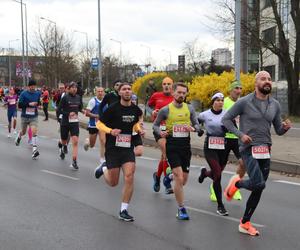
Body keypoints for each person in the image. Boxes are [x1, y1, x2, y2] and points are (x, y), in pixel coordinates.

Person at [222, 71, 292, 236]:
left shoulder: (274, 104)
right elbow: (226, 119)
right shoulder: (244, 102)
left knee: (259, 188)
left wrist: (285, 128)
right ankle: (236, 185)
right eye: (263, 79)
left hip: (265, 149)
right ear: (256, 83)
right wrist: (241, 135)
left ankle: (245, 222)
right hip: (248, 148)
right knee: (259, 184)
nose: (267, 81)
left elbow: (278, 130)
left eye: (269, 79)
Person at [94, 83, 144, 222]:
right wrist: (111, 131)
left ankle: (124, 210)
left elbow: (135, 124)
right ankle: (103, 168)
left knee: (129, 176)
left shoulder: (135, 110)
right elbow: (99, 124)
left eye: (129, 89)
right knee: (113, 183)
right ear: (120, 93)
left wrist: (139, 130)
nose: (127, 91)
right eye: (124, 89)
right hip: (113, 148)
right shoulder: (112, 109)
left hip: (127, 147)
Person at [153, 82, 201, 220]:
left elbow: (196, 123)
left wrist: (195, 129)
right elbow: (155, 126)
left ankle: (168, 178)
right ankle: (181, 209)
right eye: (179, 92)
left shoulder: (190, 108)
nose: (181, 95)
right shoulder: (165, 110)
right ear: (173, 93)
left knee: (183, 181)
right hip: (172, 146)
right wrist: (161, 133)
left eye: (184, 93)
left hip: (185, 147)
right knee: (179, 177)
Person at [197, 92, 229, 216]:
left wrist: (227, 128)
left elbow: (234, 126)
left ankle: (205, 173)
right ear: (213, 102)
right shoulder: (205, 114)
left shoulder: (227, 113)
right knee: (218, 175)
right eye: (217, 100)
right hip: (210, 146)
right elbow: (195, 122)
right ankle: (220, 205)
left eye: (222, 100)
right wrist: (199, 130)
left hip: (223, 146)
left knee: (217, 173)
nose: (220, 102)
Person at [148, 76, 174, 194]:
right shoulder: (156, 96)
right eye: (164, 84)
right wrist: (152, 112)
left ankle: (157, 177)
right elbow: (148, 106)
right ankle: (167, 183)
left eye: (169, 84)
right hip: (158, 128)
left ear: (172, 85)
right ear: (162, 86)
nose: (166, 86)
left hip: (171, 130)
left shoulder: (176, 97)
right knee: (166, 151)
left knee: (164, 156)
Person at [221, 80, 246, 201]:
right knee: (220, 167)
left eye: (241, 88)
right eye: (236, 88)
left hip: (238, 138)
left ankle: (234, 187)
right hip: (225, 138)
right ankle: (213, 186)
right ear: (231, 90)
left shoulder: (242, 103)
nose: (239, 91)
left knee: (243, 163)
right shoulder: (224, 102)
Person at [57, 82, 83, 170]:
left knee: (75, 141)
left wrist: (84, 112)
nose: (74, 89)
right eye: (72, 87)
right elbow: (59, 110)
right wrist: (68, 114)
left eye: (76, 87)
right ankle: (63, 145)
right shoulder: (65, 98)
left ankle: (74, 161)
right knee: (64, 140)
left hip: (74, 123)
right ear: (69, 88)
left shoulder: (79, 97)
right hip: (65, 122)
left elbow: (80, 108)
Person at [15, 80, 41, 159]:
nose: (33, 87)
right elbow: (19, 105)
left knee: (34, 131)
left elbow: (38, 102)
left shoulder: (37, 93)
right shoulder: (23, 94)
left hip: (34, 116)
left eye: (34, 86)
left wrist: (39, 105)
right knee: (23, 132)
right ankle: (19, 136)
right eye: (32, 86)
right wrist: (29, 104)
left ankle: (34, 150)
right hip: (25, 117)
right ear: (28, 86)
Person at [84, 87, 105, 164]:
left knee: (103, 141)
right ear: (96, 92)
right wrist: (96, 116)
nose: (100, 93)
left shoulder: (106, 101)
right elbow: (87, 113)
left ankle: (102, 159)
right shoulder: (93, 101)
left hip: (102, 125)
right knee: (92, 145)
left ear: (103, 92)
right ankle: (88, 141)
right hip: (93, 125)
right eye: (98, 91)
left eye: (101, 91)